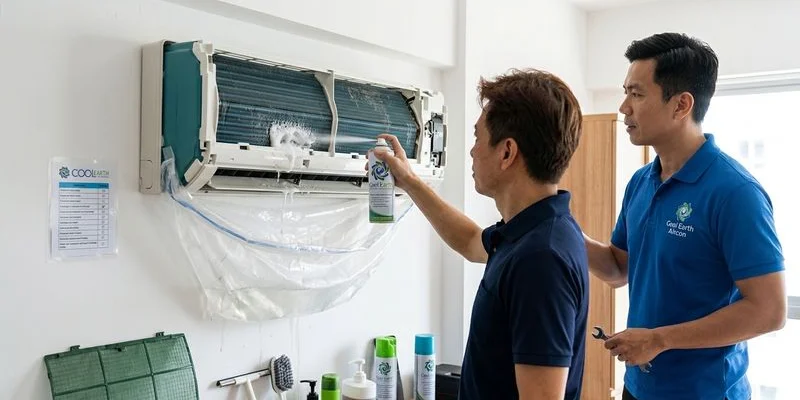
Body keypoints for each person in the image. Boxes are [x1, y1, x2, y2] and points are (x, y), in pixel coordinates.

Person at [583, 32, 787, 400]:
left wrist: (660, 339)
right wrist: (560, 231)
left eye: (637, 94)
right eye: (625, 92)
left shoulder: (736, 192)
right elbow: (618, 269)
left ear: (681, 105)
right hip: (639, 387)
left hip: (704, 392)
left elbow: (769, 310)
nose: (624, 107)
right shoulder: (641, 182)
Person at [373, 69, 588, 399]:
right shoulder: (528, 232)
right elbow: (471, 241)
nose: (472, 152)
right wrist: (409, 181)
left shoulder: (541, 260)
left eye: (477, 139)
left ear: (507, 152)